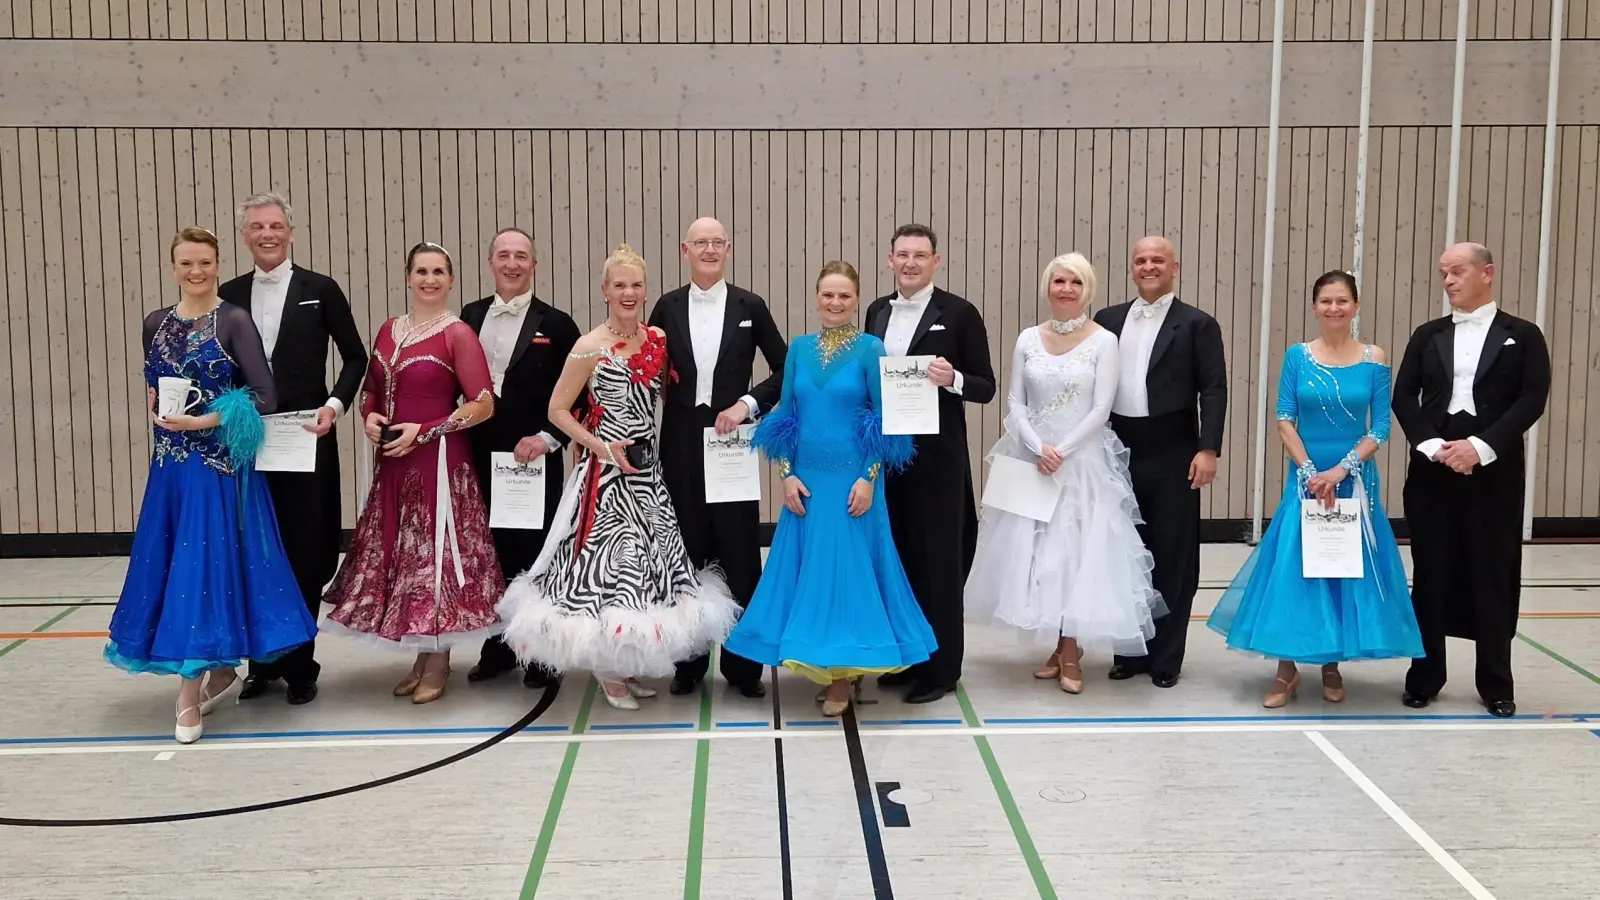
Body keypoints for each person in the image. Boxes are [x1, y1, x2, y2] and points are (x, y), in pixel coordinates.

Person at [497, 243, 742, 711]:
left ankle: (626, 663)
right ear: (605, 291)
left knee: (651, 570)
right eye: (619, 285)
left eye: (635, 285)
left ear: (645, 290)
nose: (628, 293)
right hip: (606, 477)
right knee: (612, 568)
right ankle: (609, 671)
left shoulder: (656, 340)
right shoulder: (588, 347)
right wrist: (602, 448)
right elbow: (557, 410)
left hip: (649, 476)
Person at [106, 226, 317, 744]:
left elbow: (265, 396)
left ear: (217, 264)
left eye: (204, 262)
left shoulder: (234, 320)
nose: (195, 271)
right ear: (173, 266)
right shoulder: (155, 322)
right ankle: (218, 668)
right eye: (186, 263)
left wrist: (206, 422)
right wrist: (155, 405)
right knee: (176, 570)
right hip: (171, 472)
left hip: (218, 470)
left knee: (202, 574)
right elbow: (156, 384)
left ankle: (187, 691)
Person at [724, 261, 934, 717]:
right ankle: (823, 659)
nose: (835, 303)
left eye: (844, 296)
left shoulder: (870, 348)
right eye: (827, 295)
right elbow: (784, 416)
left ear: (856, 300)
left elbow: (885, 419)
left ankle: (843, 675)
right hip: (807, 480)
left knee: (847, 575)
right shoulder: (798, 348)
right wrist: (785, 475)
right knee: (812, 573)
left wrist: (868, 478)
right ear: (816, 298)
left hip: (853, 482)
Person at [1207, 271, 1422, 707]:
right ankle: (1286, 670)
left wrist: (1341, 471)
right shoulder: (1297, 356)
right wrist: (1308, 472)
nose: (1334, 308)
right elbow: (1284, 417)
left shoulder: (1375, 357)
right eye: (1325, 301)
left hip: (1355, 478)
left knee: (1342, 568)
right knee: (1296, 569)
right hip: (1305, 477)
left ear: (1356, 306)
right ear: (1314, 307)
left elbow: (1380, 426)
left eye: (1342, 301)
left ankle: (1331, 664)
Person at [964, 253, 1165, 693]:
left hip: (1082, 464)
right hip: (1032, 459)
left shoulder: (1103, 341)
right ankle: (1058, 644)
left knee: (1073, 553)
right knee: (1037, 554)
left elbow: (1101, 406)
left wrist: (1063, 451)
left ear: (1087, 290)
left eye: (1075, 282)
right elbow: (1014, 402)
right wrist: (1038, 447)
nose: (1066, 289)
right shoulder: (1027, 339)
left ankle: (1071, 649)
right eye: (1059, 281)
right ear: (1047, 287)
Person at [320, 242, 504, 705]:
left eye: (439, 271)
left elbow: (483, 403)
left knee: (435, 556)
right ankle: (421, 655)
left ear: (451, 280)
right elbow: (372, 392)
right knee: (406, 558)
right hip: (395, 465)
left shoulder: (458, 334)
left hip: (439, 463)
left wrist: (426, 430)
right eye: (421, 271)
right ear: (408, 276)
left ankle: (439, 658)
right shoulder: (388, 330)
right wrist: (369, 417)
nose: (429, 279)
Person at [218, 191, 367, 707]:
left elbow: (355, 358)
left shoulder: (320, 289)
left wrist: (334, 406)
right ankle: (262, 664)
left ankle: (301, 662)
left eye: (275, 225)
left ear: (290, 231)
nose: (266, 234)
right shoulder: (228, 293)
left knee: (306, 549)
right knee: (255, 549)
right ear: (245, 235)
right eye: (257, 226)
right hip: (247, 444)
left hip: (307, 438)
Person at [1393, 243, 1551, 717]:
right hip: (1433, 471)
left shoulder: (1523, 335)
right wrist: (1431, 445)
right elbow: (1404, 396)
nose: (1449, 281)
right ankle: (1425, 675)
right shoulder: (1427, 335)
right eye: (1443, 273)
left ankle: (1496, 682)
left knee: (1493, 573)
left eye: (1457, 272)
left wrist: (1480, 448)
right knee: (1431, 572)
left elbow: (1532, 399)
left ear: (1487, 273)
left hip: (1494, 476)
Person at [649, 217, 788, 698]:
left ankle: (743, 665)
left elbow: (785, 367)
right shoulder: (665, 306)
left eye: (717, 243)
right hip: (681, 441)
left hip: (732, 440)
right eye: (700, 243)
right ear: (685, 249)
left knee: (739, 552)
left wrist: (748, 404)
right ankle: (688, 663)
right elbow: (644, 371)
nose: (709, 250)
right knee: (687, 549)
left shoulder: (751, 305)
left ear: (727, 249)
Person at [864, 223, 996, 704]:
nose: (911, 263)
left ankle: (942, 670)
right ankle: (910, 659)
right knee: (899, 561)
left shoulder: (960, 313)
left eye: (921, 255)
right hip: (888, 458)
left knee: (939, 565)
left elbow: (986, 385)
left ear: (935, 261)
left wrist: (954, 377)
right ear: (890, 259)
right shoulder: (877, 311)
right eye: (903, 254)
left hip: (937, 462)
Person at [1094, 236, 1227, 688]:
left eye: (1157, 260)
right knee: (1127, 554)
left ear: (1175, 267)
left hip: (1175, 448)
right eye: (1141, 260)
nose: (1148, 266)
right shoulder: (1107, 320)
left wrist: (1207, 448)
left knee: (1172, 554)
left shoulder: (1197, 324)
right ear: (1132, 268)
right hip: (1119, 446)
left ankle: (1166, 657)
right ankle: (1130, 652)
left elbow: (1213, 389)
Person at [461, 228, 584, 691]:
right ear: (491, 262)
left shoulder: (557, 325)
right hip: (478, 456)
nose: (512, 264)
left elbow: (580, 397)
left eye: (522, 257)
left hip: (533, 460)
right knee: (489, 552)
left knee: (535, 557)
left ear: (534, 265)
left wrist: (549, 438)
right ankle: (498, 646)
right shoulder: (469, 316)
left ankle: (538, 653)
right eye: (503, 256)